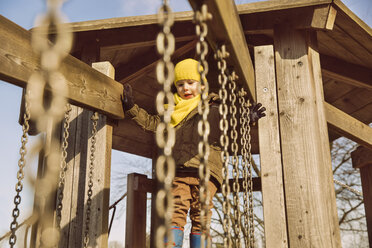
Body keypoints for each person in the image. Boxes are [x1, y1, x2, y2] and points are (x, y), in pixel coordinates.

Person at [122, 58, 265, 248]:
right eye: (180, 84)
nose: (186, 88)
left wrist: (247, 117)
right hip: (179, 171)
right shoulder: (171, 111)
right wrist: (132, 108)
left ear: (202, 85)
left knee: (202, 215)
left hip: (206, 173)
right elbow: (151, 123)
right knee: (175, 212)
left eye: (191, 83)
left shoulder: (212, 109)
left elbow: (229, 120)